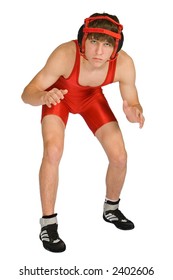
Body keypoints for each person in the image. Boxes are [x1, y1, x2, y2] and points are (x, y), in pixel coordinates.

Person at [21, 12, 145, 253]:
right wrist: (44, 96)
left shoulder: (124, 63)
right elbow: (28, 93)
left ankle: (111, 209)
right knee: (53, 151)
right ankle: (48, 224)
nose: (99, 51)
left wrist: (134, 111)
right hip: (58, 97)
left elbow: (132, 101)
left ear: (115, 48)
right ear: (82, 41)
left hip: (91, 99)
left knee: (120, 157)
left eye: (107, 44)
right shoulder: (65, 55)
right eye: (94, 42)